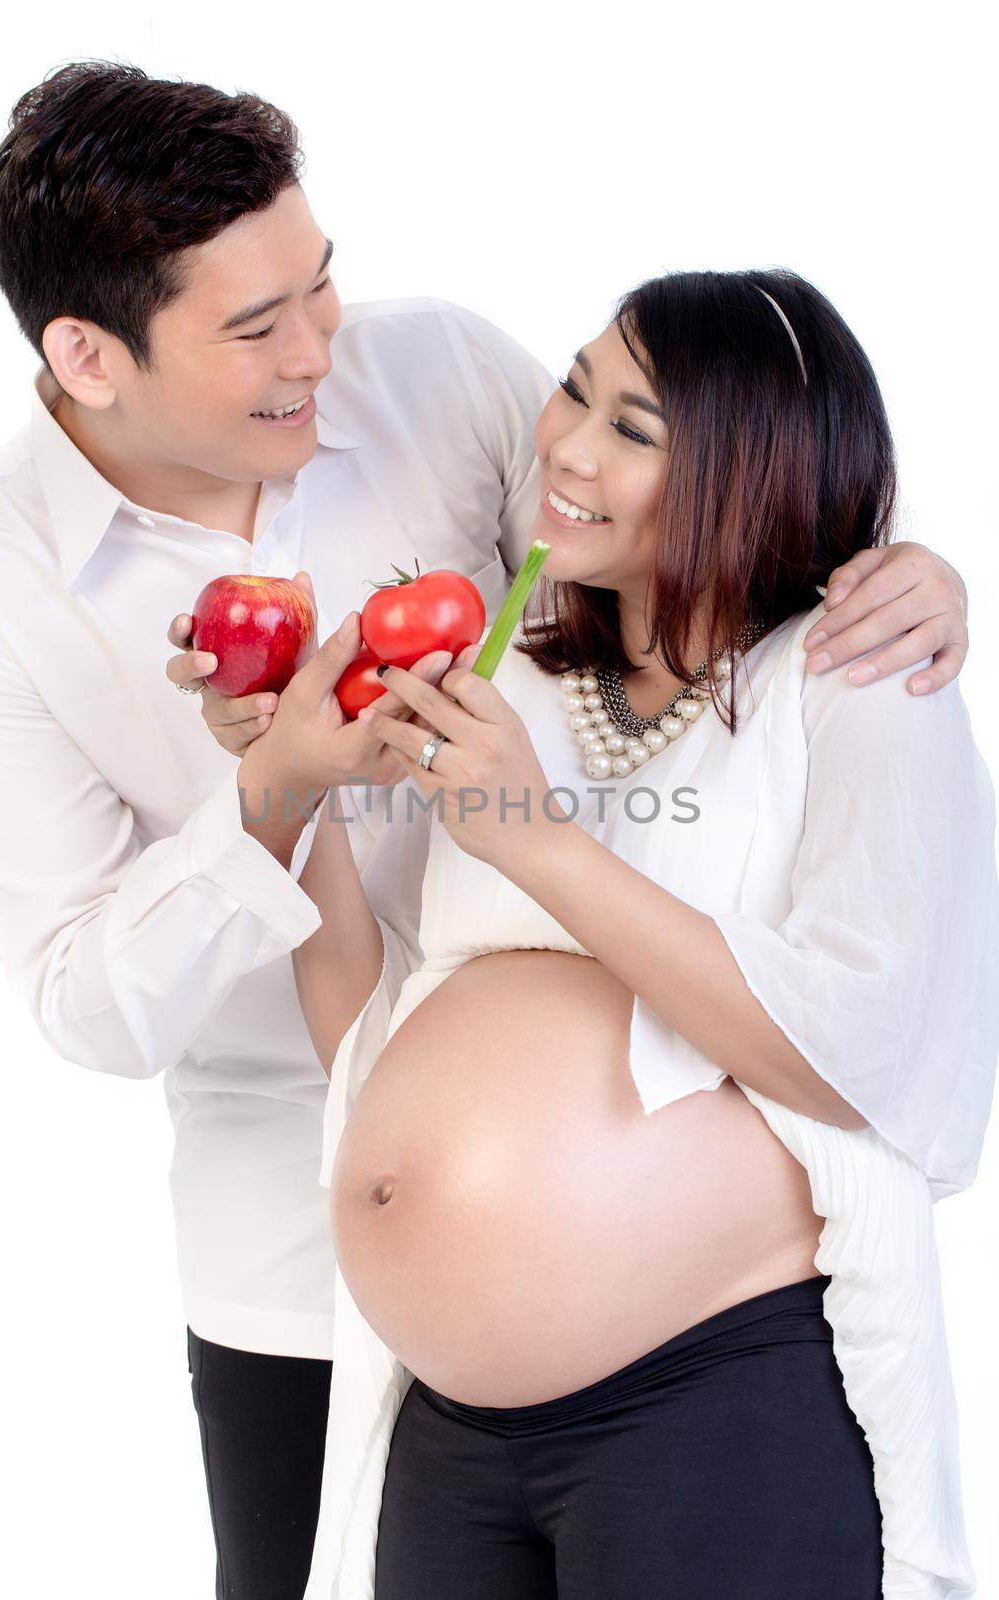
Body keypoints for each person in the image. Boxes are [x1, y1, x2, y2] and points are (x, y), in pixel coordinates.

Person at [0, 59, 971, 1599]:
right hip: (304, 1282)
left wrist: (892, 569)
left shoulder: (440, 378)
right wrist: (281, 795)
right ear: (87, 356)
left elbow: (696, 550)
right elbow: (92, 1006)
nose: (320, 349)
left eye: (322, 283)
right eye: (255, 327)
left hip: (674, 1313)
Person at [220, 269, 997, 1599]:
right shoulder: (510, 668)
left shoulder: (851, 679)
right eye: (575, 386)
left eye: (634, 429)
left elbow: (873, 1055)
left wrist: (537, 840)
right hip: (446, 1433)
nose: (566, 444)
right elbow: (373, 1034)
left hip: (709, 1400)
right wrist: (290, 789)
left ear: (754, 476)